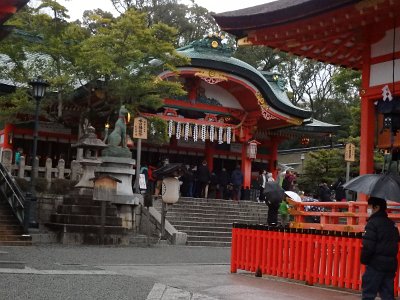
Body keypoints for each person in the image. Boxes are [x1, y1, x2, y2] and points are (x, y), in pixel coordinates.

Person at [361, 197, 399, 300]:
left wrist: (364, 259)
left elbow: (368, 246)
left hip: (375, 264)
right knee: (387, 295)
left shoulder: (372, 224)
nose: (368, 209)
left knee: (368, 294)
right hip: (390, 265)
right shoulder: (392, 224)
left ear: (376, 207)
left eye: (369, 206)